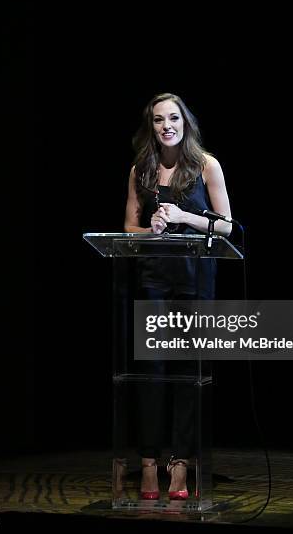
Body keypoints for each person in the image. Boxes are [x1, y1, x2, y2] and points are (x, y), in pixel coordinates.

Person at [123, 92, 232, 500]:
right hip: (153, 281)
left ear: (185, 122)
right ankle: (149, 464)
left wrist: (186, 217)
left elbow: (226, 227)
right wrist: (149, 231)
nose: (166, 125)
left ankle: (181, 463)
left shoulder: (206, 165)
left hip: (194, 283)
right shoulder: (141, 169)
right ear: (149, 126)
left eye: (173, 118)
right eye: (157, 120)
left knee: (187, 376)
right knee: (150, 375)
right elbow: (127, 229)